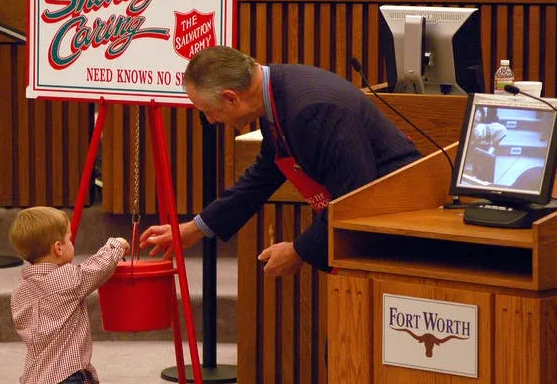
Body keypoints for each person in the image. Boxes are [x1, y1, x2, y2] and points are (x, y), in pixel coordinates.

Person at [140, 46, 422, 276]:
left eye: (208, 111)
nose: (211, 121)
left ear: (231, 98)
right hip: (376, 224)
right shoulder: (276, 94)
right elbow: (264, 174)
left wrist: (299, 250)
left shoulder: (312, 110)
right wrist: (197, 227)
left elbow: (354, 197)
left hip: (400, 227)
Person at [9, 206, 129, 384]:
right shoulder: (67, 279)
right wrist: (117, 244)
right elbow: (96, 268)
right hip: (63, 383)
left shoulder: (19, 293)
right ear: (58, 248)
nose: (72, 243)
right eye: (69, 239)